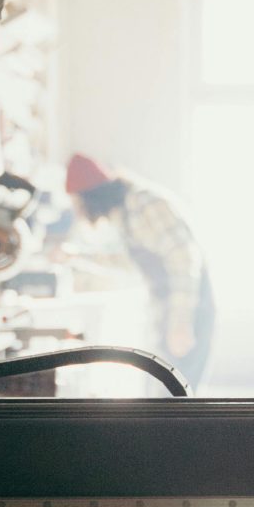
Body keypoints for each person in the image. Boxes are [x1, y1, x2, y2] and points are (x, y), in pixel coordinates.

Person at [65, 153, 215, 390]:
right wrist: (77, 257)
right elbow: (130, 263)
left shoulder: (144, 203)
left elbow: (183, 258)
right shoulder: (124, 213)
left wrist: (180, 322)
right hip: (165, 308)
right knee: (160, 398)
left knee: (179, 399)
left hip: (189, 306)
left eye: (77, 204)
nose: (78, 212)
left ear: (91, 197)